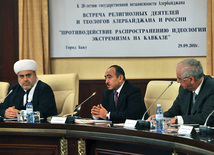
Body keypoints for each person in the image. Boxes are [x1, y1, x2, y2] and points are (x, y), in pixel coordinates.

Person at [162, 58, 214, 126]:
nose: (177, 81)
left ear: (191, 79)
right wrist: (161, 117)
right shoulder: (184, 88)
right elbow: (174, 110)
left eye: (179, 78)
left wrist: (177, 120)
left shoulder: (211, 88)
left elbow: (206, 117)